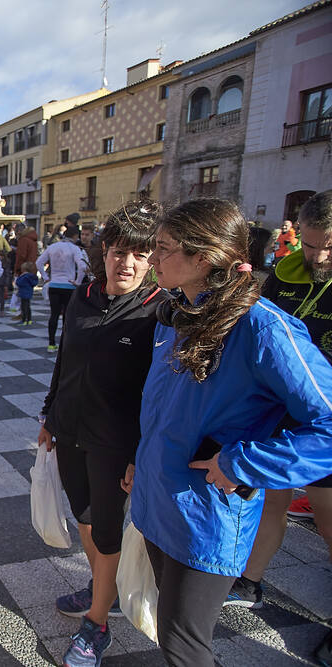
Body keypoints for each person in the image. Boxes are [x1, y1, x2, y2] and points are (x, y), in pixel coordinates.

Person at [130, 198, 332, 667]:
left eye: (162, 248)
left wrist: (242, 463)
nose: (152, 259)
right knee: (174, 635)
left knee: (183, 645)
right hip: (160, 500)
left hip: (208, 515)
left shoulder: (264, 328)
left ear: (203, 257)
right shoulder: (178, 312)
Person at [37, 203, 167, 667]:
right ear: (104, 252)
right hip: (70, 431)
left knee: (108, 531)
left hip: (115, 444)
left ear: (152, 259)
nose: (126, 263)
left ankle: (98, 626)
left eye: (139, 253)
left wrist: (140, 454)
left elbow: (159, 393)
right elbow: (65, 360)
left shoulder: (158, 311)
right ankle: (103, 590)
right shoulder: (83, 295)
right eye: (118, 251)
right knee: (86, 520)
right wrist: (50, 415)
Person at [225, 191, 332, 660]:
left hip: (324, 423)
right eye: (309, 246)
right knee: (270, 503)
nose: (318, 257)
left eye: (328, 246)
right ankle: (249, 581)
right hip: (275, 417)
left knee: (330, 522)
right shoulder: (283, 278)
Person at [36, 227, 89, 353]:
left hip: (54, 284)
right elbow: (82, 266)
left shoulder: (52, 247)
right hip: (69, 285)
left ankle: (51, 343)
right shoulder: (75, 248)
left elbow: (39, 262)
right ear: (75, 236)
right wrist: (78, 282)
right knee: (67, 316)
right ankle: (65, 343)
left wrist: (45, 277)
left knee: (53, 315)